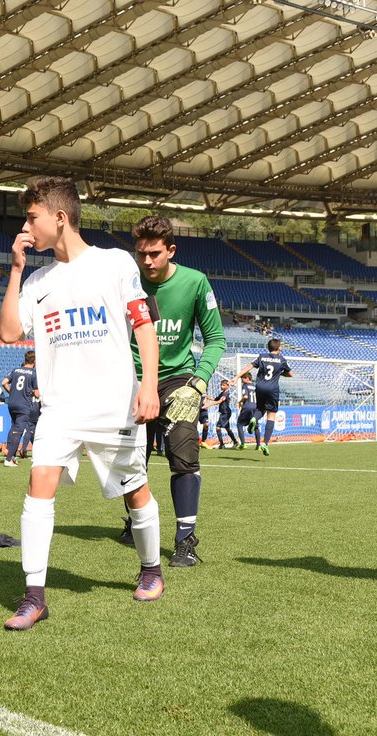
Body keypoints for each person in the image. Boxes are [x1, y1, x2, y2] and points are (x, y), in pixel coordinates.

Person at [0, 176, 162, 632]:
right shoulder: (36, 280)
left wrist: (148, 385)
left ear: (60, 217)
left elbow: (144, 327)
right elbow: (10, 333)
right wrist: (14, 269)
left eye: (32, 217)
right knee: (38, 485)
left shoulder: (115, 264)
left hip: (116, 405)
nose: (27, 226)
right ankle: (34, 596)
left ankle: (151, 570)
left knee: (135, 490)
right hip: (60, 409)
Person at [120, 216, 226, 569]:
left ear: (171, 250)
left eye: (154, 253)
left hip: (177, 381)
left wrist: (198, 382)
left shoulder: (195, 282)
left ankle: (185, 540)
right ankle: (136, 521)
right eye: (141, 254)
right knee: (131, 462)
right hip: (130, 380)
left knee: (184, 455)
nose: (147, 261)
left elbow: (215, 340)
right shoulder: (125, 282)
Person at [228, 338, 292, 456]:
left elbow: (249, 367)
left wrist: (237, 377)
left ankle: (254, 419)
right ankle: (265, 443)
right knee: (271, 415)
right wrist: (280, 372)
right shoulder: (281, 360)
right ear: (278, 348)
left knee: (260, 409)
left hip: (260, 387)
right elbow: (291, 374)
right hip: (272, 390)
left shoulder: (261, 356)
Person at [2, 350, 38, 467]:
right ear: (35, 361)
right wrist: (31, 392)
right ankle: (8, 459)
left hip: (12, 403)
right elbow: (37, 394)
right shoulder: (33, 373)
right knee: (18, 432)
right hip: (23, 405)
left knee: (13, 428)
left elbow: (4, 382)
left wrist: (12, 392)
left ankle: (11, 455)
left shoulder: (16, 370)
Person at [207, 379, 239, 449]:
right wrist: (209, 398)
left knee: (218, 427)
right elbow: (216, 399)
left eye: (223, 385)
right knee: (228, 429)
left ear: (228, 386)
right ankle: (235, 442)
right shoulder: (222, 393)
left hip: (225, 412)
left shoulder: (226, 393)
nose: (221, 386)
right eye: (221, 385)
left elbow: (220, 401)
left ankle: (222, 444)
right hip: (225, 412)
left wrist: (209, 404)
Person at [236, 372, 260, 449]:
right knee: (256, 427)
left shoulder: (245, 386)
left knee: (239, 424)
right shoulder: (256, 386)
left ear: (247, 378)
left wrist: (239, 402)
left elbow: (246, 396)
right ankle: (258, 446)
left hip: (247, 407)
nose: (242, 380)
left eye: (243, 378)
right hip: (255, 407)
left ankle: (243, 444)